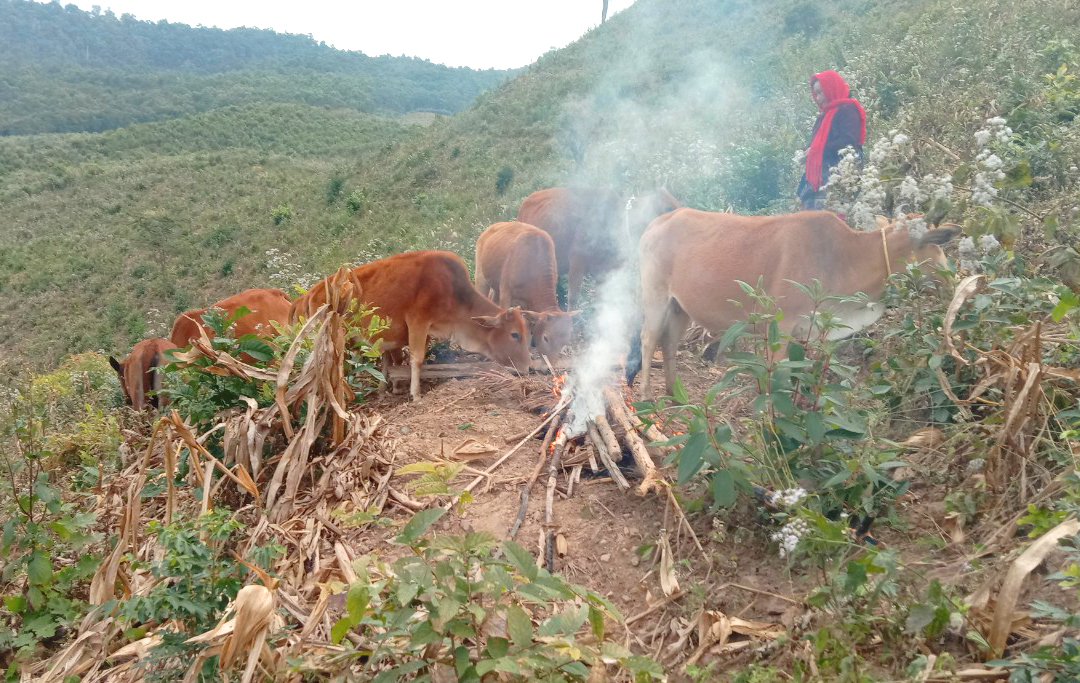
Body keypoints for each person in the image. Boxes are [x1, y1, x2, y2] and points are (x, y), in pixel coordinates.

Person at [796, 70, 866, 210]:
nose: (818, 98)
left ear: (831, 88)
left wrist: (816, 150)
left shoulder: (848, 110)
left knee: (829, 220)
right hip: (821, 176)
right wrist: (805, 151)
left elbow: (849, 142)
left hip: (840, 174)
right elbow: (815, 142)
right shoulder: (823, 116)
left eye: (821, 92)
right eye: (816, 94)